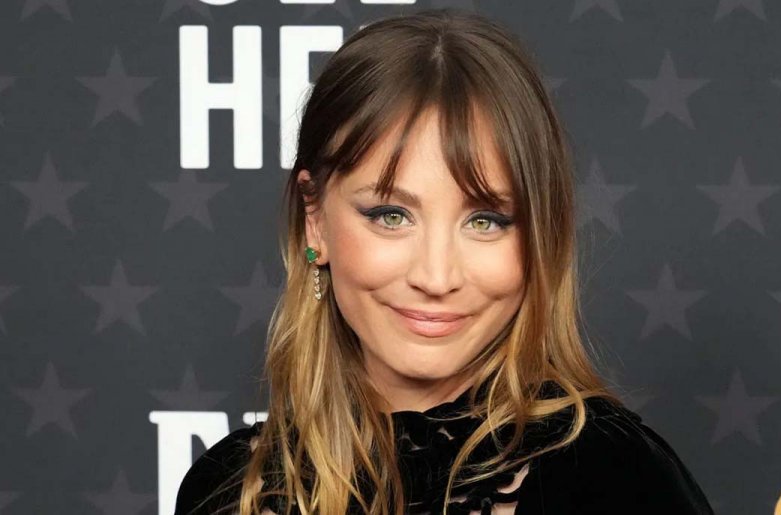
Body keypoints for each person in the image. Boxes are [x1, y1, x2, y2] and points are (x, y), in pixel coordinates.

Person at [174, 8, 715, 515]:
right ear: (314, 220)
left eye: (486, 221)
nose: (436, 277)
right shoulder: (229, 488)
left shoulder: (616, 477)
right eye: (391, 216)